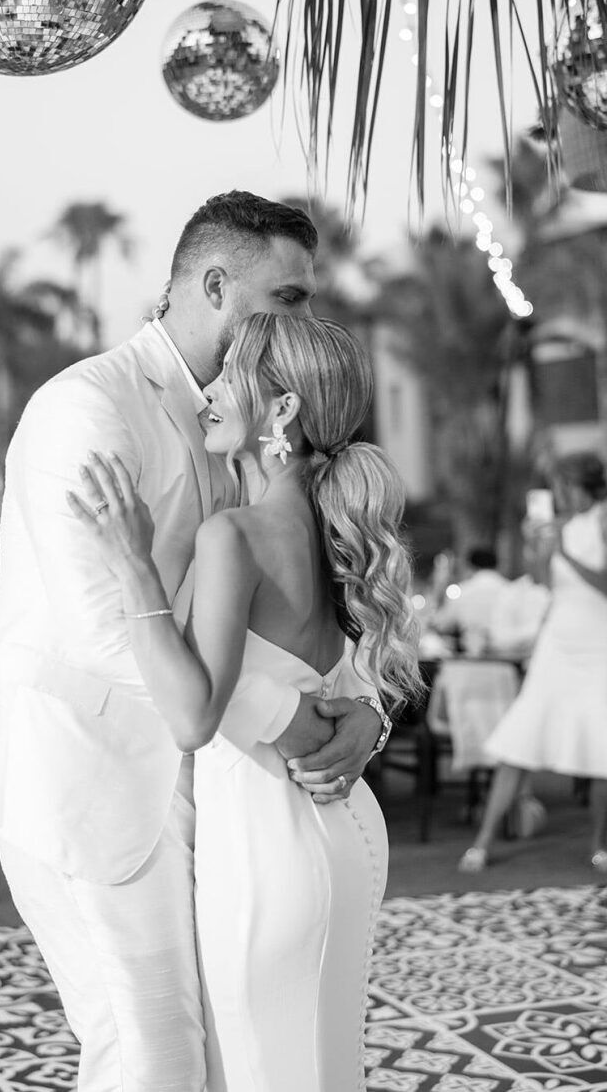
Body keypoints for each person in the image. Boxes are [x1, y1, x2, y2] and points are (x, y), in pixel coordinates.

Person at [0, 192, 386, 1092]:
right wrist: (293, 719)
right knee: (152, 1051)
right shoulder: (84, 407)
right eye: (288, 298)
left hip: (227, 795)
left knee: (226, 1050)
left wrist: (364, 709)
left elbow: (322, 595)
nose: (306, 318)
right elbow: (100, 627)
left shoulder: (260, 422)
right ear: (216, 283)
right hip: (91, 778)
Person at [67, 313, 418, 1091]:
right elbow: (355, 675)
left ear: (282, 410)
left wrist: (134, 568)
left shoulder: (235, 534)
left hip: (270, 847)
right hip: (346, 827)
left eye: (231, 375)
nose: (211, 391)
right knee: (323, 1070)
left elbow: (193, 716)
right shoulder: (332, 528)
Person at [459, 455, 607, 875]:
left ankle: (599, 843)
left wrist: (565, 553)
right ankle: (482, 842)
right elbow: (542, 580)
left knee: (603, 736)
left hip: (603, 644)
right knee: (521, 735)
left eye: (564, 487)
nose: (560, 496)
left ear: (582, 485)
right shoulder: (561, 525)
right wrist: (535, 546)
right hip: (558, 640)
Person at [434, 547, 509, 655]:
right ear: (497, 565)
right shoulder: (509, 589)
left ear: (470, 566)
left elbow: (442, 624)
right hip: (507, 662)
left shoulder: (463, 591)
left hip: (470, 659)